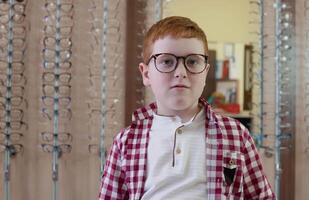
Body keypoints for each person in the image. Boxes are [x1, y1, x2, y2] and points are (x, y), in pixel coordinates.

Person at [99, 16, 275, 200]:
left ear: (205, 72)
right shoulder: (126, 141)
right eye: (167, 61)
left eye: (192, 62)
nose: (181, 73)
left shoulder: (236, 135)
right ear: (146, 74)